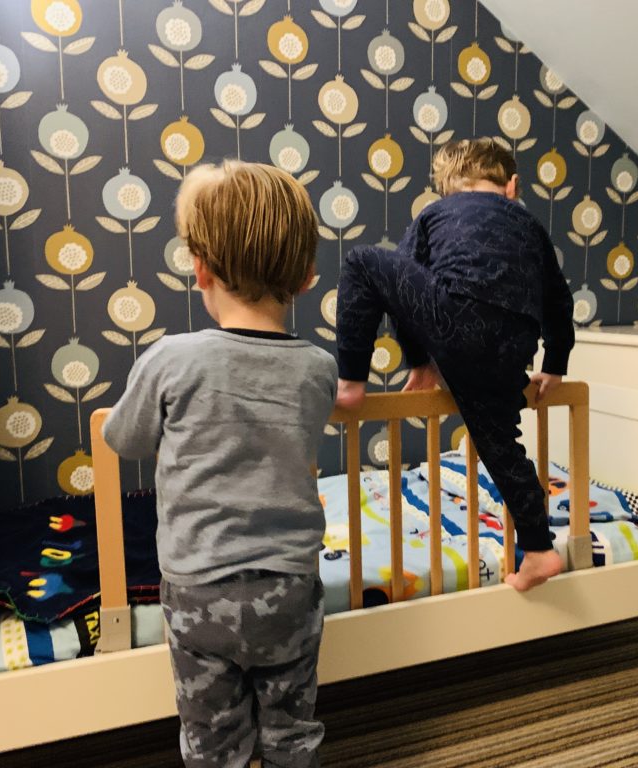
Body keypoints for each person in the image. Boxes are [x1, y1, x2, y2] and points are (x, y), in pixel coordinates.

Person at [103, 161, 337, 768]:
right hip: (289, 587)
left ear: (200, 268)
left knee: (212, 739)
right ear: (308, 278)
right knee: (291, 728)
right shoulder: (319, 368)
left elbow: (123, 438)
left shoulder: (172, 360)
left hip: (199, 590)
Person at [335, 138, 574, 592]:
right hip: (516, 343)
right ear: (512, 186)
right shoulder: (528, 223)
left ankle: (351, 384)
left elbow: (403, 285)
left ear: (446, 189)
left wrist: (420, 360)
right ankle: (541, 550)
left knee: (362, 263)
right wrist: (554, 364)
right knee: (502, 446)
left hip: (456, 320)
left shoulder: (434, 214)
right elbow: (559, 302)